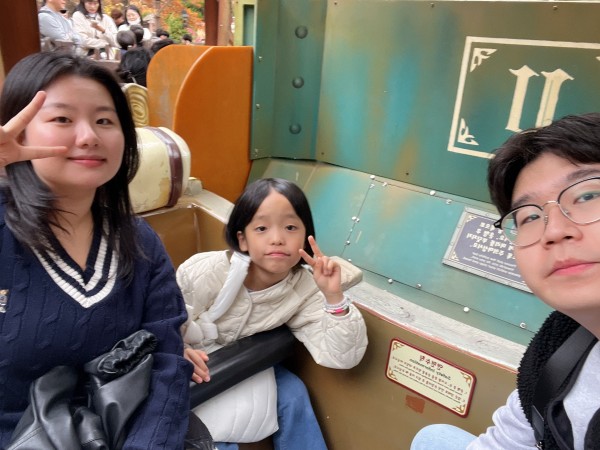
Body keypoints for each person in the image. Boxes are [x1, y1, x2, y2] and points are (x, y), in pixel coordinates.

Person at [0, 51, 192, 447]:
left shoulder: (140, 241)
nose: (89, 136)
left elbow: (167, 361)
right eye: (62, 119)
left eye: (105, 120)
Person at [410, 113, 600, 450]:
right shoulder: (558, 349)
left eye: (587, 196)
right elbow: (503, 441)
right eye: (530, 216)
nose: (554, 230)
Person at [178, 177, 368, 449]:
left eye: (290, 227)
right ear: (242, 239)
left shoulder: (304, 288)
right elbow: (163, 321)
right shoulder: (205, 272)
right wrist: (179, 349)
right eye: (262, 228)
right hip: (194, 364)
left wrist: (333, 297)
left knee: (293, 393)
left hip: (246, 363)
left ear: (306, 235)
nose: (278, 239)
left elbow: (343, 357)